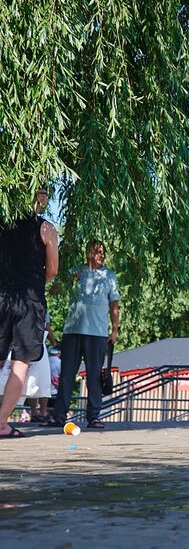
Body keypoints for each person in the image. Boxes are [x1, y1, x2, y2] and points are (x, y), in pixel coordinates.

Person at [0, 187, 59, 438]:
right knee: (21, 363)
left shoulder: (3, 224)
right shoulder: (46, 228)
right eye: (42, 192)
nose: (46, 198)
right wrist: (36, 282)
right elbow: (53, 271)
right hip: (30, 300)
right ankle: (2, 423)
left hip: (2, 296)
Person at [50, 240, 118, 430]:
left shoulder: (109, 276)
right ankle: (59, 415)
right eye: (98, 252)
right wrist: (68, 280)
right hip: (72, 330)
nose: (101, 255)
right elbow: (54, 291)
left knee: (94, 375)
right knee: (67, 374)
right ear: (89, 253)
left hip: (97, 333)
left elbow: (114, 305)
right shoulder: (75, 271)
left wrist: (114, 329)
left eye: (103, 252)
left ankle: (94, 416)